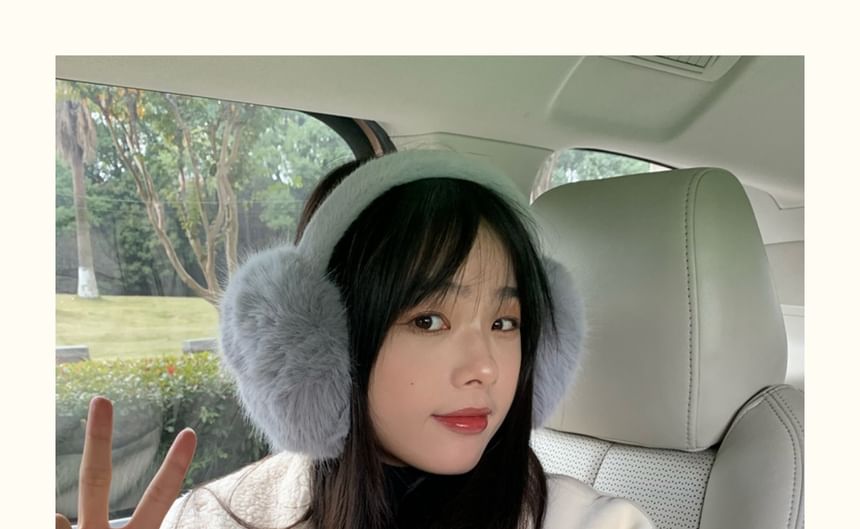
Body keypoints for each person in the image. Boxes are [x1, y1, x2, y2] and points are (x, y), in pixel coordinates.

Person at [57, 151, 654, 529]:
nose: (487, 369)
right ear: (326, 349)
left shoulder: (596, 523)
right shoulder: (218, 518)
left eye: (505, 323)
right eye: (429, 320)